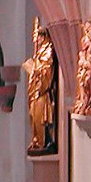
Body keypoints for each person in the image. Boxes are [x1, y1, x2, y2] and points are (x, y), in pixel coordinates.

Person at [24, 18, 57, 156]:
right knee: (33, 114)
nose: (35, 41)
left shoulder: (48, 50)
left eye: (36, 37)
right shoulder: (40, 51)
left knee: (40, 116)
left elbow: (47, 69)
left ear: (43, 36)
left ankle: (43, 141)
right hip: (35, 90)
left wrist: (34, 67)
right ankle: (36, 139)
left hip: (42, 91)